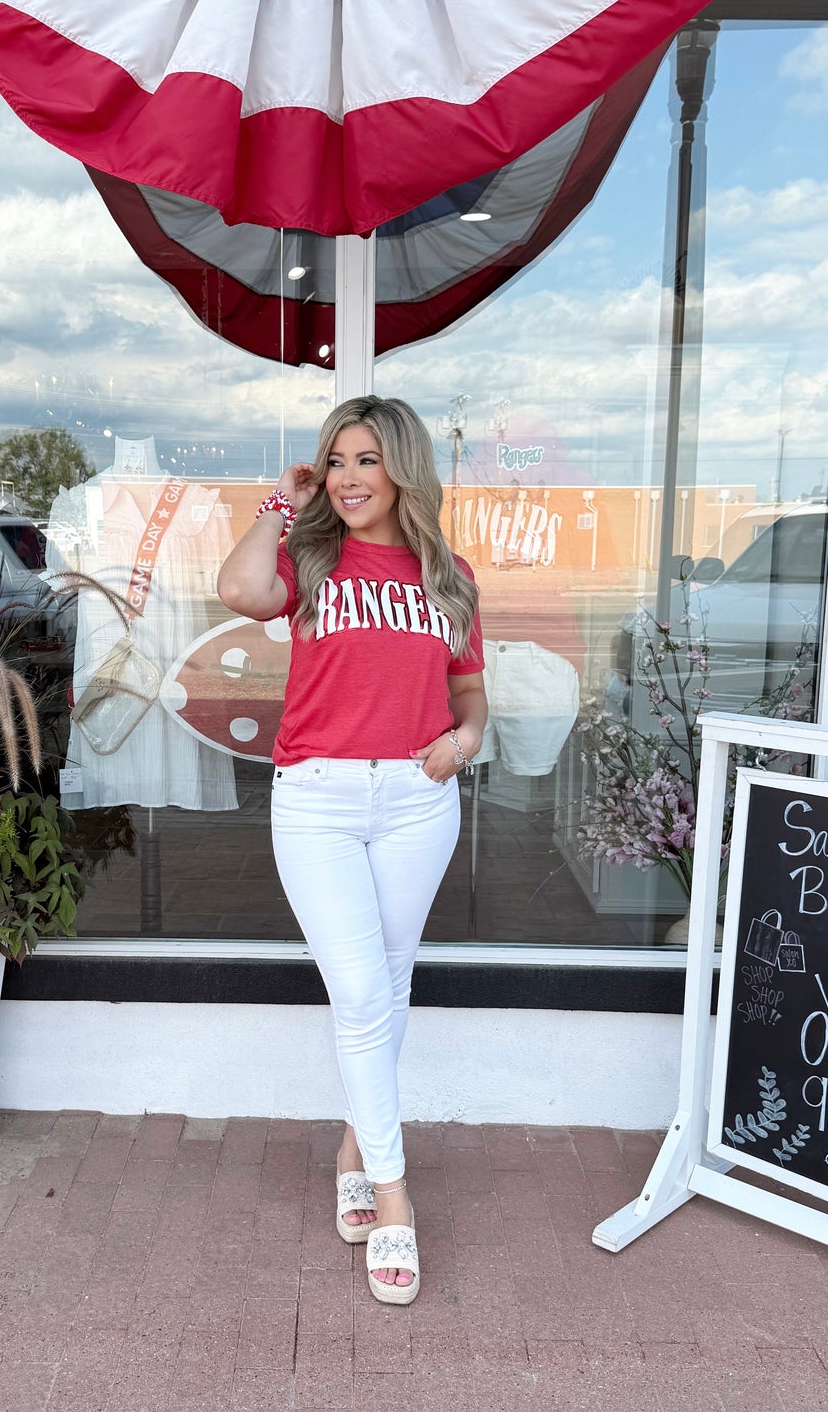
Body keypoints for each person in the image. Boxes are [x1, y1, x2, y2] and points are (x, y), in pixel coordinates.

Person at [217, 395, 487, 1306]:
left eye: (366, 460)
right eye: (336, 461)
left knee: (392, 980)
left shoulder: (449, 577)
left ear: (403, 467)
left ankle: (351, 1147)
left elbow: (470, 696)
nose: (348, 477)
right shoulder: (312, 560)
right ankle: (394, 1193)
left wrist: (464, 743)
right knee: (364, 991)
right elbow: (238, 593)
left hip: (417, 798)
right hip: (320, 801)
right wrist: (279, 506)